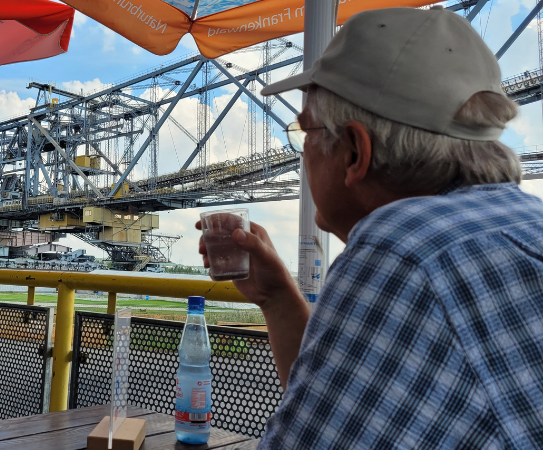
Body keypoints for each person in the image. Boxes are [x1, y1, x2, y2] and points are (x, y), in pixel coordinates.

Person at [198, 6, 543, 449]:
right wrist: (278, 297)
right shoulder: (524, 223)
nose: (303, 154)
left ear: (356, 152)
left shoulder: (404, 248)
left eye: (306, 134)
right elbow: (361, 405)